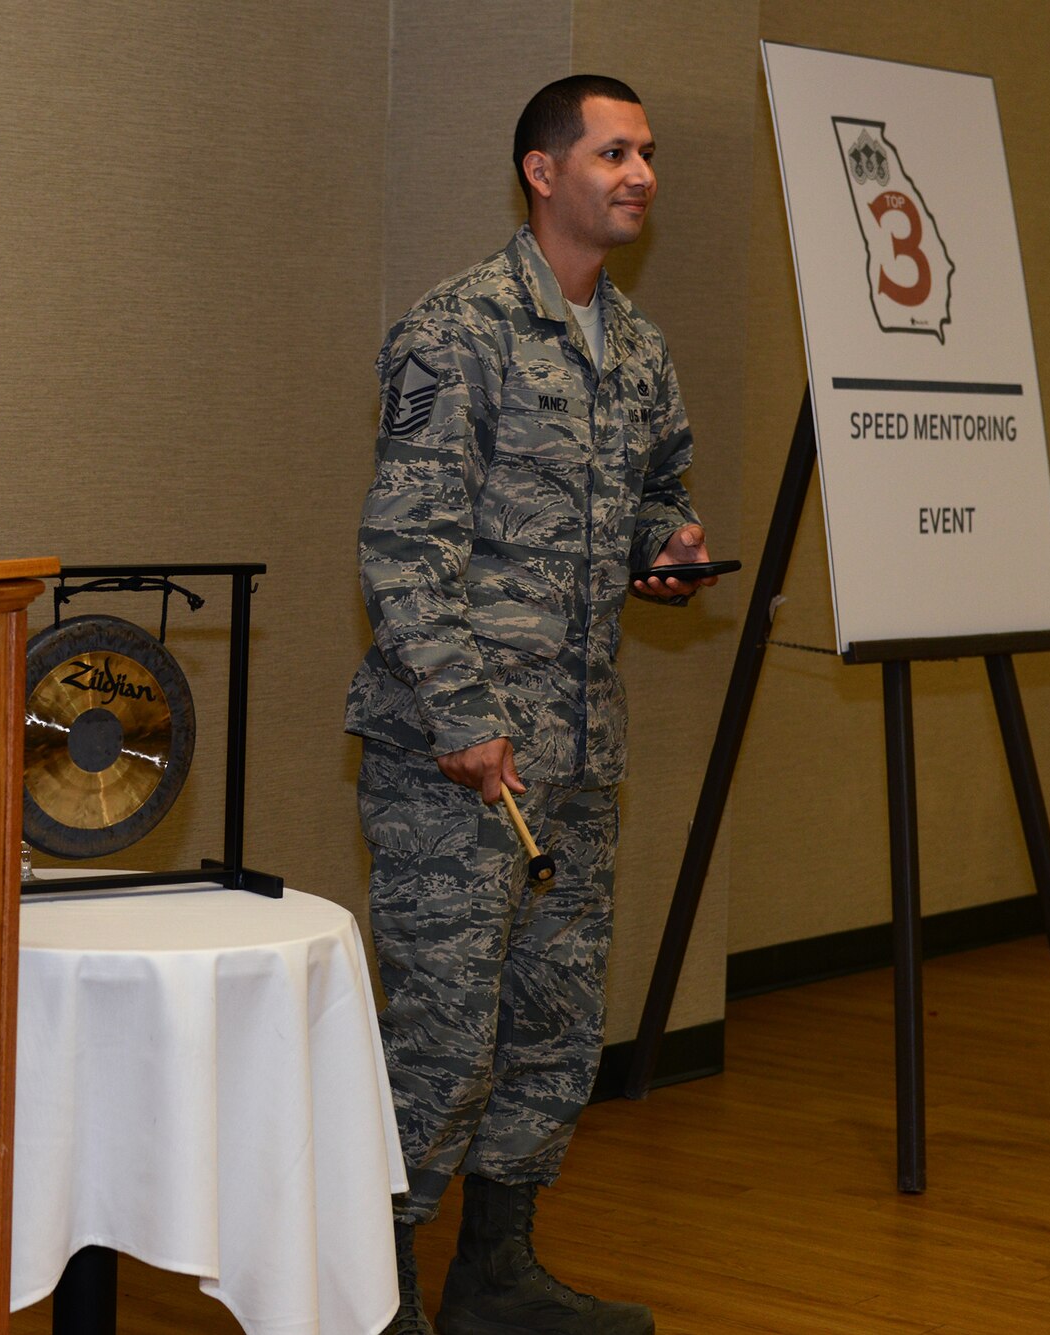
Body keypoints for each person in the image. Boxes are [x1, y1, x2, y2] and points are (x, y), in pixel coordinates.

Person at [348, 75, 717, 1335]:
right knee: (443, 1034)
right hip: (460, 757)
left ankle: (493, 1275)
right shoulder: (455, 331)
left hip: (574, 747)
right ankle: (371, 1290)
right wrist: (458, 715)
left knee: (554, 1025)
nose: (639, 173)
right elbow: (403, 547)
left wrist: (666, 547)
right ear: (540, 171)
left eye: (647, 153)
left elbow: (657, 487)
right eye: (612, 151)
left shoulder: (636, 348)